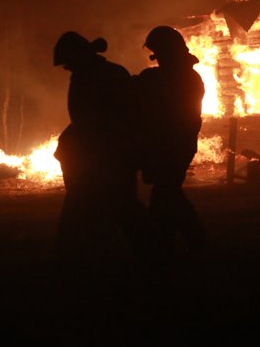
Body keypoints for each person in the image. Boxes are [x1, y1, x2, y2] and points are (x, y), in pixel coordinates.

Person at [53, 31, 150, 264]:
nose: (67, 69)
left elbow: (122, 117)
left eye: (68, 63)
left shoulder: (101, 77)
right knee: (108, 207)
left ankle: (150, 258)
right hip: (98, 154)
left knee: (119, 207)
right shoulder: (99, 73)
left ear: (78, 57)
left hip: (108, 155)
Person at [135, 26, 206, 256]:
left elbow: (158, 100)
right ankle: (167, 245)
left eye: (160, 53)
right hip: (176, 145)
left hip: (173, 146)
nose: (158, 59)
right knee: (165, 195)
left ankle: (197, 241)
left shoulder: (177, 80)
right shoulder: (182, 77)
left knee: (168, 194)